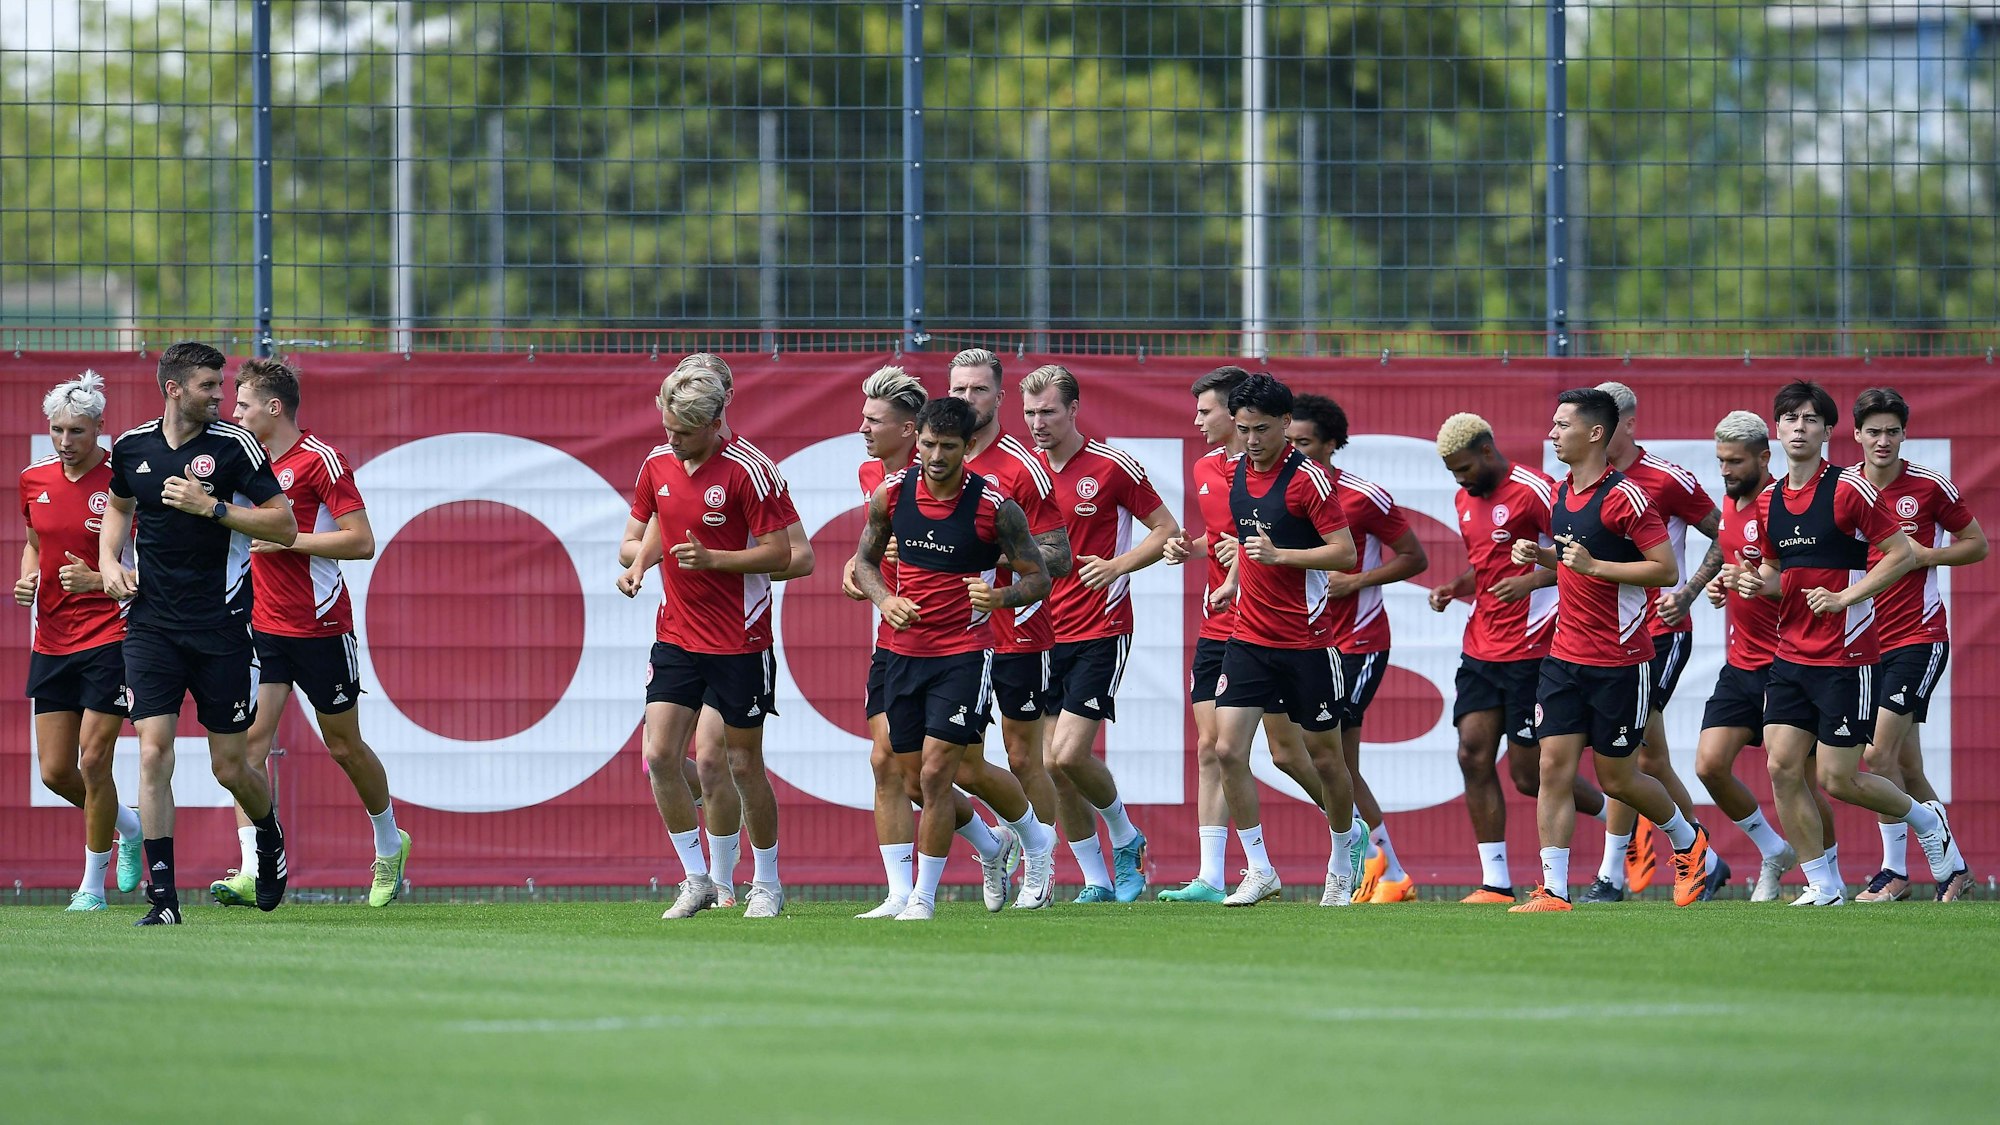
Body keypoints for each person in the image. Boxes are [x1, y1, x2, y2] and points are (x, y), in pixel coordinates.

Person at [1723, 380, 1966, 905]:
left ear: (1830, 432)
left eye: (1811, 420)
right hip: (1789, 654)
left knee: (1839, 778)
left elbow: (1901, 554)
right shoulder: (1767, 500)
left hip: (1848, 656)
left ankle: (1926, 818)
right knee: (1781, 767)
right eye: (1790, 419)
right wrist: (1746, 582)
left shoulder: (1850, 490)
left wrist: (1843, 596)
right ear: (1778, 430)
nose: (1800, 428)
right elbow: (1769, 572)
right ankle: (1824, 885)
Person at [98, 342, 299, 925]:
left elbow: (283, 524)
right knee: (153, 753)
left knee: (230, 767)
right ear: (174, 389)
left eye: (222, 385)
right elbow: (117, 509)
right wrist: (111, 564)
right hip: (151, 626)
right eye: (211, 386)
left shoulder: (235, 448)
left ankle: (269, 835)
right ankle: (163, 901)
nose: (222, 396)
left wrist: (212, 508)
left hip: (223, 628)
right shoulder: (133, 447)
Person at [207, 357, 409, 909]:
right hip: (260, 630)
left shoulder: (320, 461)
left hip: (321, 627)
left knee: (343, 746)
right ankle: (253, 868)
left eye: (243, 403)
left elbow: (361, 541)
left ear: (274, 408)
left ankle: (390, 844)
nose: (234, 411)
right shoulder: (240, 459)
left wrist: (289, 542)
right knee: (248, 746)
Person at [843, 366, 1043, 917]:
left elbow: (1039, 575)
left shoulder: (995, 505)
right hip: (899, 651)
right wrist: (884, 598)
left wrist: (999, 598)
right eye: (928, 444)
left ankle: (922, 899)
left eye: (946, 446)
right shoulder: (889, 494)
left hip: (963, 654)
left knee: (938, 773)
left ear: (965, 447)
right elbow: (863, 560)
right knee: (902, 772)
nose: (934, 455)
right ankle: (987, 847)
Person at [622, 352, 816, 907]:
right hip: (677, 635)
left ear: (714, 423)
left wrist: (715, 560)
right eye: (667, 428)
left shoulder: (750, 470)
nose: (671, 439)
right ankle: (699, 880)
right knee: (659, 757)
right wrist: (639, 566)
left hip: (740, 641)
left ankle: (768, 882)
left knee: (736, 764)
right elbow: (661, 519)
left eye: (683, 432)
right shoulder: (658, 461)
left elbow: (784, 553)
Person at [1509, 388, 1712, 913]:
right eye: (1551, 425)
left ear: (1595, 433)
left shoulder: (1626, 497)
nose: (1551, 434)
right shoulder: (1559, 494)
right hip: (1563, 658)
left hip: (1621, 661)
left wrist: (1594, 566)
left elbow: (1664, 569)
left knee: (1618, 777)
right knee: (1552, 767)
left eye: (1561, 425)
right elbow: (1575, 563)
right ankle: (1553, 889)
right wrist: (1544, 556)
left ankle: (1688, 841)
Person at [1159, 367, 1323, 903]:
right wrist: (1195, 549)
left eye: (1207, 411)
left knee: (1286, 754)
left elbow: (1261, 541)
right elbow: (1227, 535)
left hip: (1270, 626)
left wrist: (1239, 571)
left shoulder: (1286, 476)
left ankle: (1347, 828)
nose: (1199, 420)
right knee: (1216, 747)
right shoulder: (1208, 467)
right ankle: (1213, 875)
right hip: (1220, 626)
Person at [1203, 374, 1366, 907]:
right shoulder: (1235, 472)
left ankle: (1344, 856)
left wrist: (1283, 558)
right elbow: (1250, 546)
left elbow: (1344, 554)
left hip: (1308, 643)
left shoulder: (1309, 482)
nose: (1251, 440)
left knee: (1325, 761)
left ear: (1285, 425)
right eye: (1244, 428)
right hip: (1248, 636)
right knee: (1227, 750)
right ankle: (1259, 868)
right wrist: (1231, 583)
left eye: (1263, 430)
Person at [1430, 414, 1606, 903]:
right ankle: (1495, 881)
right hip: (1482, 647)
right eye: (1451, 472)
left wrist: (1531, 581)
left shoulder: (1537, 490)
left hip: (1535, 648)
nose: (1459, 479)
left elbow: (1582, 558)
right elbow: (1487, 564)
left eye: (1463, 467)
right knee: (1471, 753)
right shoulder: (1464, 498)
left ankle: (1621, 823)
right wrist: (1455, 587)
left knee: (1531, 776)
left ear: (1487, 451)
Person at [1023, 364, 1180, 902]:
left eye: (1047, 411)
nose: (1037, 423)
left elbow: (1167, 531)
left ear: (1073, 410)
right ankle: (1094, 878)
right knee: (1050, 767)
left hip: (1100, 625)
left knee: (1065, 756)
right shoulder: (1022, 472)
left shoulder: (1111, 467)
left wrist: (1119, 565)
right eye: (1029, 412)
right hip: (1039, 630)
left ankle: (1126, 837)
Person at [1286, 393, 1428, 903]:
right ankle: (1378, 865)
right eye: (1290, 441)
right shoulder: (1279, 491)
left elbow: (1415, 557)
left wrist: (1357, 581)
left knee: (1338, 760)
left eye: (1305, 443)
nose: (1296, 451)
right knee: (1301, 756)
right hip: (1302, 641)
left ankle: (1383, 871)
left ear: (1332, 445)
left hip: (1357, 642)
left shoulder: (1363, 495)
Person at [1588, 382, 1726, 902]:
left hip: (1659, 634)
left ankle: (1611, 875)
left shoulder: (1665, 479)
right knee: (1647, 760)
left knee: (1621, 754)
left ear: (1627, 423)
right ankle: (1705, 858)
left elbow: (1725, 531)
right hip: (1603, 640)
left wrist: (1688, 593)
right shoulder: (1582, 479)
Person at [1849, 389, 1984, 902]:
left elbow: (1977, 545)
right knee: (1907, 768)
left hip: (1918, 637)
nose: (1883, 441)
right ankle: (1955, 870)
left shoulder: (1927, 487)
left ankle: (1895, 872)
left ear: (1905, 435)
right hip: (1863, 643)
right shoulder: (1843, 489)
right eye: (1874, 431)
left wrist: (1924, 555)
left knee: (1876, 754)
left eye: (1893, 431)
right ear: (1857, 435)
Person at [19, 370, 144, 911]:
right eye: (56, 430)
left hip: (111, 634)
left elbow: (147, 566)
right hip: (51, 638)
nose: (66, 442)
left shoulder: (124, 483)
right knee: (54, 772)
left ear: (100, 428)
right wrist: (28, 577)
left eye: (77, 431)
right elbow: (34, 543)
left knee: (95, 762)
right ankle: (130, 826)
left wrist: (100, 581)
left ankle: (90, 886)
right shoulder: (33, 479)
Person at [1689, 410, 1825, 902]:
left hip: (1789, 662)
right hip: (1742, 661)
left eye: (1735, 461)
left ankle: (1824, 879)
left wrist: (1762, 587)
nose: (1724, 470)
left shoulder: (1782, 505)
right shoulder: (1730, 499)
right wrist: (1706, 587)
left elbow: (1808, 577)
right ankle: (1773, 849)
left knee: (1801, 778)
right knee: (1709, 765)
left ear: (1765, 457)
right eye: (1720, 460)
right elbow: (1728, 551)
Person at [947, 350, 1072, 851]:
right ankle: (997, 848)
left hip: (1019, 630)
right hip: (952, 636)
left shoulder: (1022, 467)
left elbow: (1058, 558)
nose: (968, 398)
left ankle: (1041, 863)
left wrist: (987, 549)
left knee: (1024, 758)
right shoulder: (934, 459)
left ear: (1000, 396)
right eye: (959, 389)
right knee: (958, 760)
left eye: (978, 389)